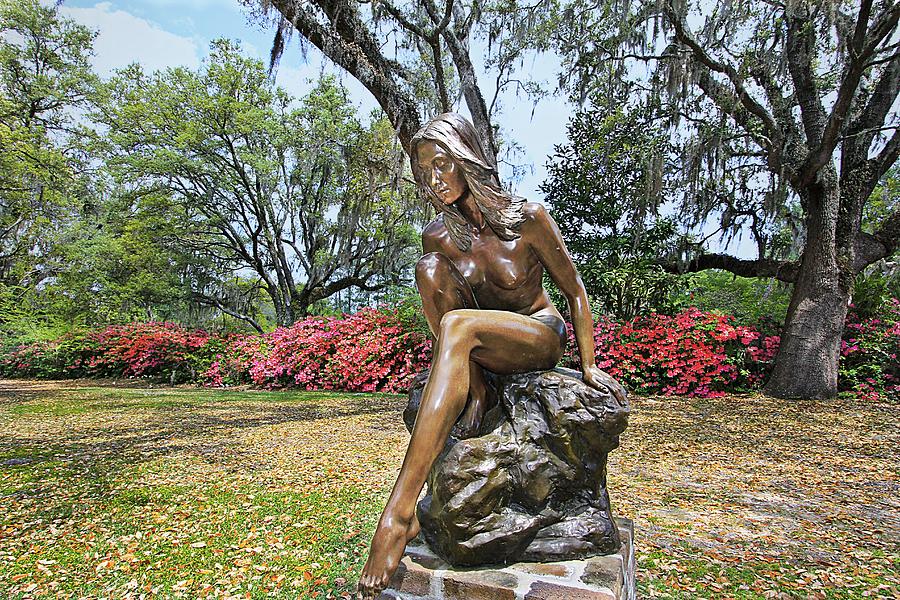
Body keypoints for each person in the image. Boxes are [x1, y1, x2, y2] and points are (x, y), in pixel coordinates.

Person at [358, 112, 626, 597]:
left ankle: (398, 514)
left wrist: (587, 364)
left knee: (461, 326)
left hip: (538, 335)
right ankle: (475, 392)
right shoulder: (439, 235)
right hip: (481, 344)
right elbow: (444, 300)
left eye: (441, 165)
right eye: (424, 172)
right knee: (429, 270)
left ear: (466, 159)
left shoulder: (527, 219)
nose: (434, 180)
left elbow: (577, 293)